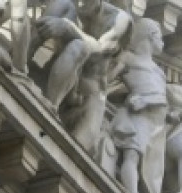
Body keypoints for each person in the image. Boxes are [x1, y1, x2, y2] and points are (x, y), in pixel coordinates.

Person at [37, 0, 132, 155]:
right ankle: (50, 107)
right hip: (54, 85)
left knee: (75, 157)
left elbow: (100, 48)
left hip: (88, 99)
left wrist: (67, 27)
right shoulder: (66, 6)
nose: (80, 3)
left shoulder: (118, 18)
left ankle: (49, 110)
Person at [108, 18, 168, 193]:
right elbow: (106, 77)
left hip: (154, 123)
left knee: (146, 162)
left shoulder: (159, 71)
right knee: (131, 155)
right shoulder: (128, 58)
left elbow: (161, 97)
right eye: (161, 37)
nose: (163, 43)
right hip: (136, 115)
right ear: (151, 36)